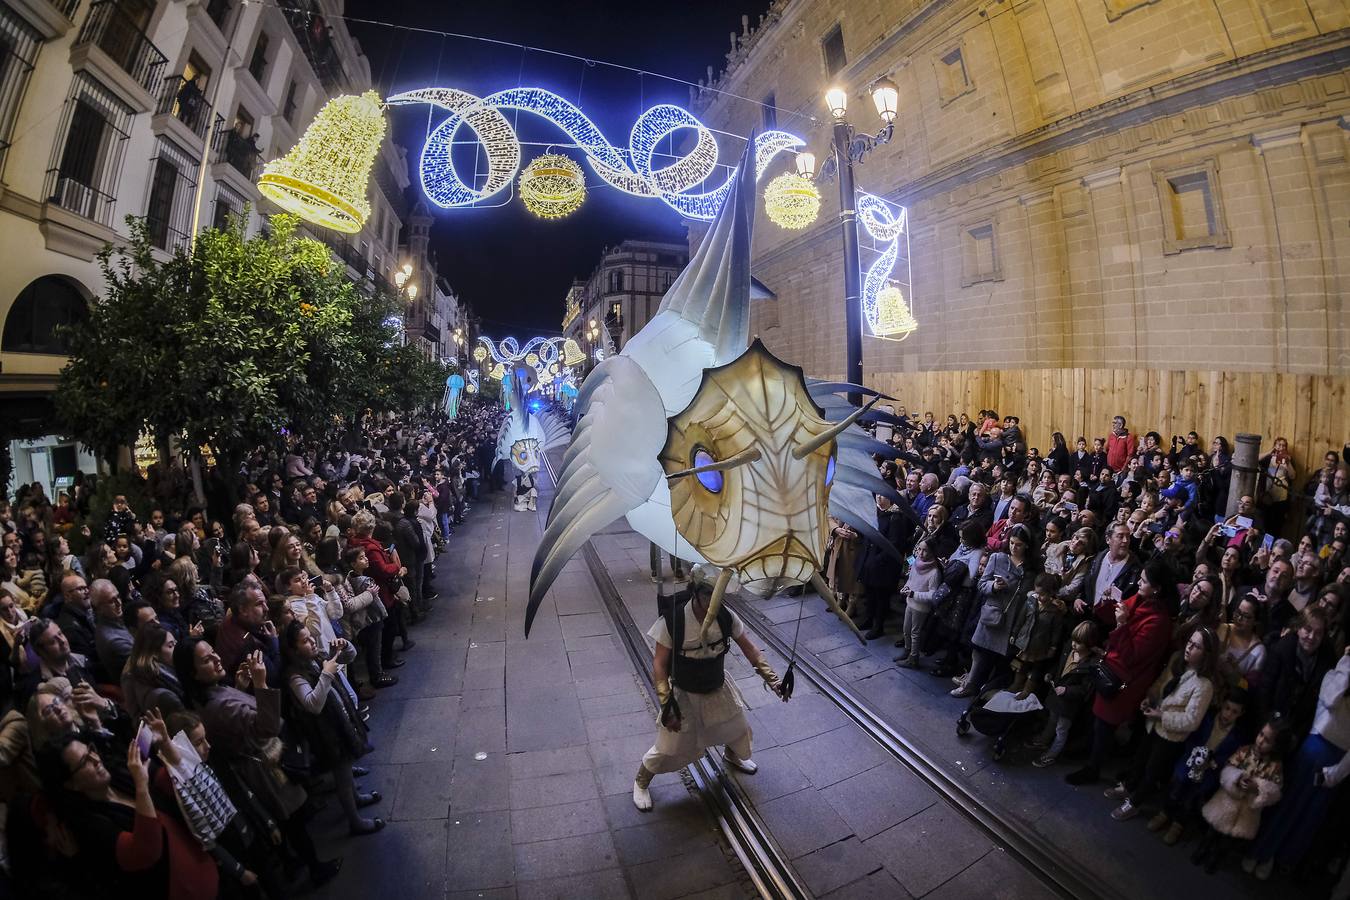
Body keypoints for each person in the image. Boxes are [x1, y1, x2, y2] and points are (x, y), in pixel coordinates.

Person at [632, 572, 783, 811]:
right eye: (707, 594)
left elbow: (750, 649)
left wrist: (773, 680)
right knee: (670, 745)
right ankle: (641, 781)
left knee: (736, 728)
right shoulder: (673, 621)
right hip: (684, 692)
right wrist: (666, 703)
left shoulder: (726, 617)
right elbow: (659, 664)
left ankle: (732, 756)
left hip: (716, 687)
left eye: (718, 594)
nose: (713, 600)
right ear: (695, 591)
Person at [36, 731, 218, 899]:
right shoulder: (88, 823)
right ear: (72, 785)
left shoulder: (117, 775)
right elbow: (145, 852)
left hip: (204, 862)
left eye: (91, 750)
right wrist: (141, 785)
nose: (95, 759)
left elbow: (170, 786)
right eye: (84, 762)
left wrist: (165, 745)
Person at [1067, 559, 1177, 786]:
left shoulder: (1159, 622)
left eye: (1144, 581)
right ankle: (1088, 755)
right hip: (1111, 669)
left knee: (1104, 725)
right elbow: (1111, 615)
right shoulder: (1140, 600)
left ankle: (1093, 768)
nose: (1138, 582)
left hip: (1125, 682)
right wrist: (1108, 603)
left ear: (1156, 588)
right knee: (1096, 720)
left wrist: (1122, 624)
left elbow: (1133, 656)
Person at [1245, 647, 1350, 880]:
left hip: (1337, 765)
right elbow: (1331, 700)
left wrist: (1335, 774)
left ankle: (1276, 858)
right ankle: (1261, 851)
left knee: (1306, 817)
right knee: (1286, 806)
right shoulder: (1335, 676)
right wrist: (1347, 663)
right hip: (1312, 752)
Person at [280, 621, 383, 835]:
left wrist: (345, 646)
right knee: (343, 779)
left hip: (339, 725)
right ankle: (355, 821)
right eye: (305, 641)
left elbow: (348, 657)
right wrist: (326, 674)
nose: (311, 642)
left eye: (310, 637)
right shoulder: (295, 676)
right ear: (293, 649)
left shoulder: (316, 658)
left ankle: (357, 798)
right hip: (327, 734)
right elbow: (313, 704)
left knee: (346, 770)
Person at [1106, 627, 1218, 820]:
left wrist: (1162, 716)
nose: (1189, 648)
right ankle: (1129, 786)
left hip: (1170, 735)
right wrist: (1150, 697)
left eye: (1196, 646)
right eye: (1189, 642)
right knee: (1140, 758)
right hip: (1153, 725)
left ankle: (1134, 803)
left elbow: (1191, 720)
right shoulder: (1178, 663)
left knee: (1152, 770)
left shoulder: (1204, 685)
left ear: (1206, 654)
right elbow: (1160, 685)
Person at [1192, 717, 1287, 874]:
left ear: (1276, 746)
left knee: (1228, 841)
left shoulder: (1275, 766)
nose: (1261, 740)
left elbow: (1275, 791)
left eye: (1267, 740)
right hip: (1226, 801)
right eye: (1261, 734)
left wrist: (1258, 786)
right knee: (1212, 831)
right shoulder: (1245, 751)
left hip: (1247, 812)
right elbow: (1227, 769)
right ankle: (1203, 849)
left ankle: (1216, 856)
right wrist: (1237, 778)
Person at [956, 523, 1035, 698]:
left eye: (1019, 544)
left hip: (1013, 619)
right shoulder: (998, 558)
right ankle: (971, 685)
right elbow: (981, 583)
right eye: (1012, 543)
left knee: (999, 660)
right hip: (993, 613)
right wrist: (994, 586)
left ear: (1027, 545)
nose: (1014, 547)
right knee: (979, 653)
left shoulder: (1031, 569)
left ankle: (986, 692)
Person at [120, 622, 186, 719]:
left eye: (175, 643)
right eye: (171, 646)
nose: (177, 649)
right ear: (154, 654)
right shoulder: (163, 694)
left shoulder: (142, 672)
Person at [895, 539, 942, 669]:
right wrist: (906, 588)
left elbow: (933, 594)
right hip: (910, 603)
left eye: (925, 550)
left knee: (915, 632)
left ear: (932, 552)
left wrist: (913, 594)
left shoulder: (934, 572)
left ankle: (913, 658)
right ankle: (907, 650)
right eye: (919, 549)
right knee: (906, 629)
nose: (921, 553)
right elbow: (911, 579)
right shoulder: (916, 562)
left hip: (921, 607)